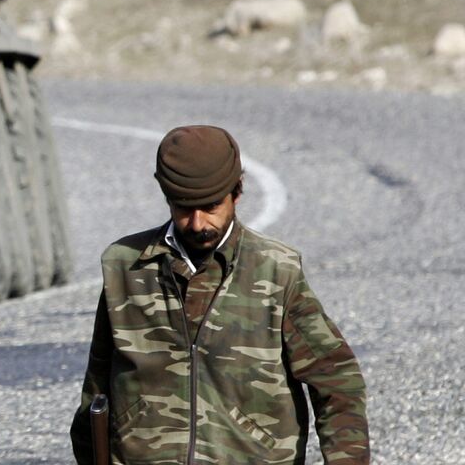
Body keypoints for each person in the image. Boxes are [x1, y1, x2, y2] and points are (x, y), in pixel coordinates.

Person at [70, 125, 368, 464]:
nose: (197, 223)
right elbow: (96, 393)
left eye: (211, 206)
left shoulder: (276, 271)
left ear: (237, 192)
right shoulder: (124, 266)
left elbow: (337, 380)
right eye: (184, 208)